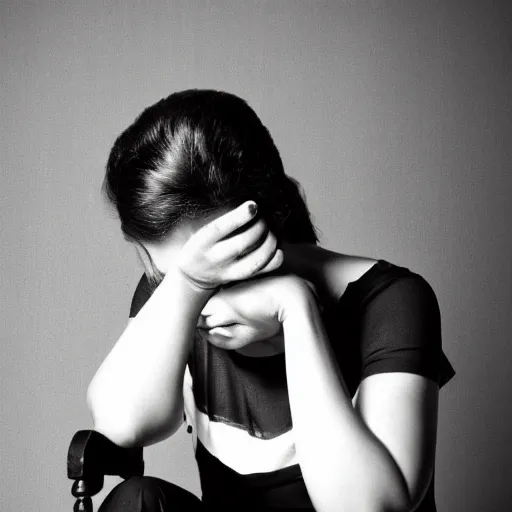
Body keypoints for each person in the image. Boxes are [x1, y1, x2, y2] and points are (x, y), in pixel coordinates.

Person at [87, 89, 456, 511]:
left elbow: (370, 507)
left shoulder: (391, 301)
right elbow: (119, 425)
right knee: (137, 501)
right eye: (171, 273)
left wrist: (297, 310)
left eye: (221, 266)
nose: (205, 302)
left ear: (268, 220)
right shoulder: (178, 293)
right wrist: (185, 285)